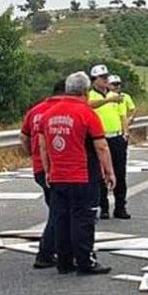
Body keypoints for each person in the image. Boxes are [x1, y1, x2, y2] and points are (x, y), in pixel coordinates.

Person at [40, 72, 116, 275]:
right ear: (85, 91)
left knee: (61, 219)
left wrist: (48, 170)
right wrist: (109, 172)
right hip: (82, 175)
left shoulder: (50, 114)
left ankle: (64, 262)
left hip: (58, 176)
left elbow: (44, 146)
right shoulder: (87, 113)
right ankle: (85, 261)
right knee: (83, 220)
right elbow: (101, 146)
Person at [19, 82, 65, 269]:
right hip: (57, 168)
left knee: (56, 208)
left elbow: (24, 137)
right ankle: (46, 253)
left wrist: (33, 154)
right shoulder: (62, 111)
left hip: (39, 167)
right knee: (59, 211)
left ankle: (56, 250)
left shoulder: (35, 111)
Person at [87, 64, 130, 219]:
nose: (106, 80)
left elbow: (122, 116)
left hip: (116, 137)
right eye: (102, 78)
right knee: (100, 174)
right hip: (99, 138)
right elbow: (89, 105)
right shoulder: (90, 95)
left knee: (119, 172)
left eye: (106, 77)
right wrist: (108, 100)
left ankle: (120, 206)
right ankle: (103, 206)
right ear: (94, 80)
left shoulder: (114, 96)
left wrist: (125, 132)